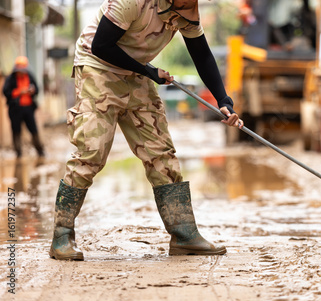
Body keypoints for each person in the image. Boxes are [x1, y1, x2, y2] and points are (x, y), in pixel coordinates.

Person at [49, 0, 243, 261]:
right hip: (98, 66)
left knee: (161, 153)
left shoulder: (188, 10)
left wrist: (224, 101)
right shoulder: (133, 2)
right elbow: (102, 45)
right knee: (92, 152)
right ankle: (62, 235)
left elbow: (202, 54)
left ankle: (184, 235)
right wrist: (149, 71)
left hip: (136, 70)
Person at [2, 56, 45, 158]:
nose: (21, 72)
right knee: (16, 130)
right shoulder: (11, 79)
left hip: (28, 108)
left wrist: (32, 91)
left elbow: (37, 89)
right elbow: (5, 92)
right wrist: (19, 92)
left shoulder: (29, 76)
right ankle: (18, 153)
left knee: (33, 130)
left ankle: (40, 151)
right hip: (15, 109)